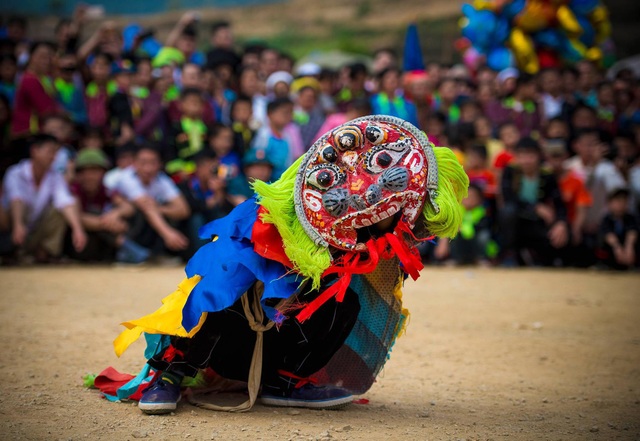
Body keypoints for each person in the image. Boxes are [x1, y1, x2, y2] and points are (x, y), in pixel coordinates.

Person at [101, 116, 468, 416]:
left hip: (270, 349)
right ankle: (174, 371)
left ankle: (284, 380)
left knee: (346, 300)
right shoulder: (271, 219)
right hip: (226, 342)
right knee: (228, 284)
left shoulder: (379, 236)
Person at [1, 134, 87, 262]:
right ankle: (12, 252)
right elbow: (16, 199)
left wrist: (77, 229)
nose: (54, 157)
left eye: (55, 152)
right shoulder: (15, 173)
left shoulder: (55, 176)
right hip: (12, 228)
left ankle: (45, 253)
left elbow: (65, 202)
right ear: (35, 151)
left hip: (35, 230)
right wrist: (18, 224)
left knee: (63, 207)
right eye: (50, 151)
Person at [69, 148, 149, 263]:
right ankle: (127, 248)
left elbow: (128, 207)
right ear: (78, 174)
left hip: (102, 237)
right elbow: (76, 217)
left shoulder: (105, 190)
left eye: (95, 171)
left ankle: (124, 251)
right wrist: (105, 223)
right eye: (85, 172)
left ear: (103, 173)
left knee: (134, 213)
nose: (90, 176)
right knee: (95, 212)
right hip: (78, 242)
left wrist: (114, 215)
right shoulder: (73, 191)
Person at [499, 137, 568, 266]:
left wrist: (561, 222)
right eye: (522, 156)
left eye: (530, 155)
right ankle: (509, 254)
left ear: (538, 156)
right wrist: (535, 207)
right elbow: (509, 198)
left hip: (537, 222)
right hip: (516, 221)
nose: (526, 161)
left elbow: (559, 202)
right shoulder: (510, 171)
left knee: (559, 231)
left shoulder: (547, 175)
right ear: (516, 157)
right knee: (507, 211)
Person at [114, 143, 190, 254]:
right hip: (121, 221)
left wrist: (159, 208)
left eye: (153, 163)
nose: (148, 168)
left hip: (150, 219)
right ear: (134, 163)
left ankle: (156, 254)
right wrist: (168, 233)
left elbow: (183, 209)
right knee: (136, 212)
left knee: (166, 215)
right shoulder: (127, 177)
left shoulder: (162, 180)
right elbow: (146, 206)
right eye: (143, 163)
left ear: (159, 164)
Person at [177, 150, 231, 258]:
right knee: (197, 219)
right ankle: (202, 257)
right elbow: (191, 208)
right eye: (210, 167)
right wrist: (211, 201)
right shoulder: (188, 184)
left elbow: (225, 208)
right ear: (199, 167)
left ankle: (223, 255)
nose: (213, 170)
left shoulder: (220, 183)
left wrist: (219, 192)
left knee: (222, 217)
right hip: (189, 230)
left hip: (211, 221)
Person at [249, 97, 299, 180]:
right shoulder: (264, 135)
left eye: (289, 113)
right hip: (267, 178)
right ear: (270, 114)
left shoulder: (287, 136)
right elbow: (258, 158)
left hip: (283, 179)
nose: (287, 116)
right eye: (283, 113)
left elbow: (289, 160)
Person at [166, 88, 209, 178]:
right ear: (181, 105)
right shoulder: (176, 128)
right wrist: (179, 170)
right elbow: (170, 150)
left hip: (202, 170)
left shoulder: (205, 128)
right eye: (190, 102)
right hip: (181, 171)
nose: (194, 105)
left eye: (197, 103)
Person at [598, 188, 637, 270]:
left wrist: (629, 247)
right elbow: (608, 234)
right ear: (609, 203)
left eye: (625, 201)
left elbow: (632, 231)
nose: (622, 204)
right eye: (618, 201)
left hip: (628, 252)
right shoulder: (606, 219)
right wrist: (617, 248)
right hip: (614, 253)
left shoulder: (631, 218)